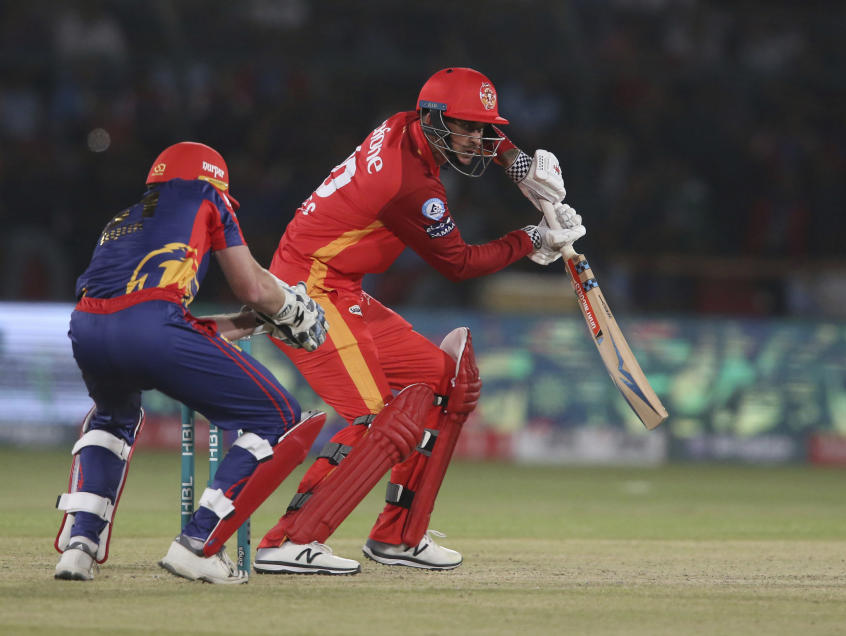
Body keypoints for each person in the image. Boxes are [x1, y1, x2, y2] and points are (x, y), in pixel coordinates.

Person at [252, 67, 586, 574]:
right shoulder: (410, 186)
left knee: (445, 381)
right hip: (309, 291)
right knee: (375, 420)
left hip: (339, 286)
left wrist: (519, 165)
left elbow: (475, 132)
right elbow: (460, 265)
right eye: (466, 128)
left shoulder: (405, 123)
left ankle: (399, 536)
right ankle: (288, 540)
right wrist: (534, 239)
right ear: (434, 122)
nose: (477, 139)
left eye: (483, 128)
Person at [53, 141, 359, 584]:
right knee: (279, 418)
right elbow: (251, 287)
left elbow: (156, 316)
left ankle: (79, 546)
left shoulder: (121, 221)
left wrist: (250, 324)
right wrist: (290, 308)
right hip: (153, 327)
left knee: (113, 419)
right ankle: (197, 545)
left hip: (88, 329)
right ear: (213, 181)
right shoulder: (207, 197)